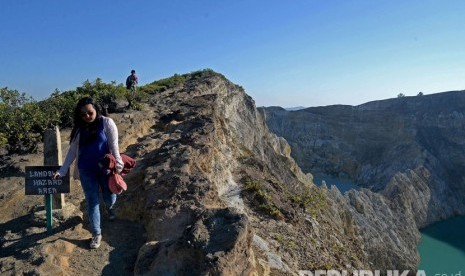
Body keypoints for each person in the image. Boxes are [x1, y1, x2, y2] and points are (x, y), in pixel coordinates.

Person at [53, 97, 123, 249]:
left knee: (109, 196)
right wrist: (62, 170)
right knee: (92, 202)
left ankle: (110, 208)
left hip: (105, 169)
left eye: (90, 113)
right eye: (83, 114)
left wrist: (118, 163)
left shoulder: (107, 123)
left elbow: (114, 145)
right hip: (85, 170)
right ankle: (96, 234)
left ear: (96, 110)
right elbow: (72, 151)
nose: (87, 117)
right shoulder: (79, 128)